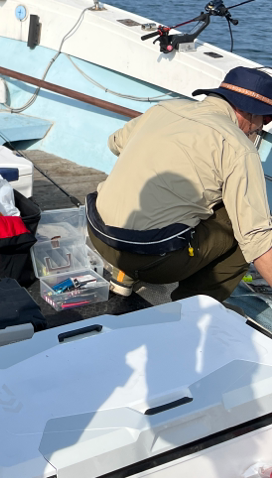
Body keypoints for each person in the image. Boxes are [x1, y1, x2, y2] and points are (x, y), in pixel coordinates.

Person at [87, 66, 272, 302]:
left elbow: (115, 143)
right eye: (265, 119)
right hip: (152, 260)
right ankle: (194, 307)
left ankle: (124, 275)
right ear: (249, 112)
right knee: (241, 223)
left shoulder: (164, 109)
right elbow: (257, 240)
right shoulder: (238, 147)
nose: (261, 127)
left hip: (99, 234)